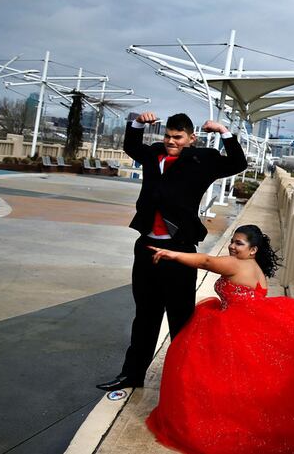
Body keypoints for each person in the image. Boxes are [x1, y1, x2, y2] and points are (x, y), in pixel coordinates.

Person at [145, 225, 294, 454]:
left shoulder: (235, 264)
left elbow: (207, 262)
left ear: (253, 250)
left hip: (234, 324)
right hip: (251, 321)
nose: (231, 246)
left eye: (239, 243)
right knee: (244, 380)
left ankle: (213, 421)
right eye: (232, 241)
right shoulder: (256, 268)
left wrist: (174, 254)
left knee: (199, 368)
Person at [97, 112, 247, 392]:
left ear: (191, 138)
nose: (170, 141)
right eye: (167, 136)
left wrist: (223, 130)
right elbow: (131, 146)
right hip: (146, 246)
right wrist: (139, 123)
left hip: (179, 249)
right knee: (145, 316)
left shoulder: (203, 160)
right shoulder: (154, 154)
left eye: (177, 137)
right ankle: (132, 375)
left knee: (180, 319)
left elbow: (239, 162)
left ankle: (183, 382)